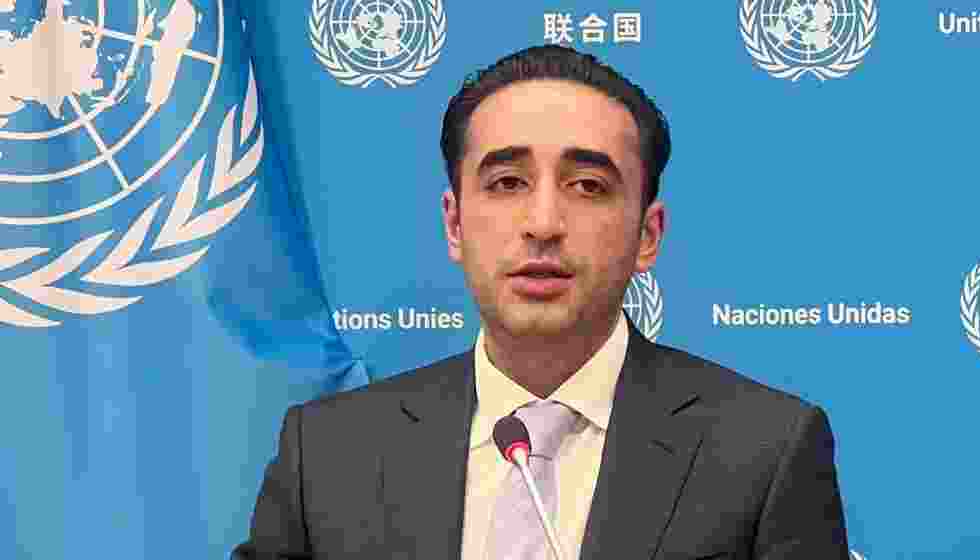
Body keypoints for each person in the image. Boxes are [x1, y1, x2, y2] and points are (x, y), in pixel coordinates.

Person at [232, 45, 850, 559]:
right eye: (507, 183)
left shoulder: (765, 450)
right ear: (454, 225)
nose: (544, 222)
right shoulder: (328, 453)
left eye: (588, 186)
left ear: (648, 235)